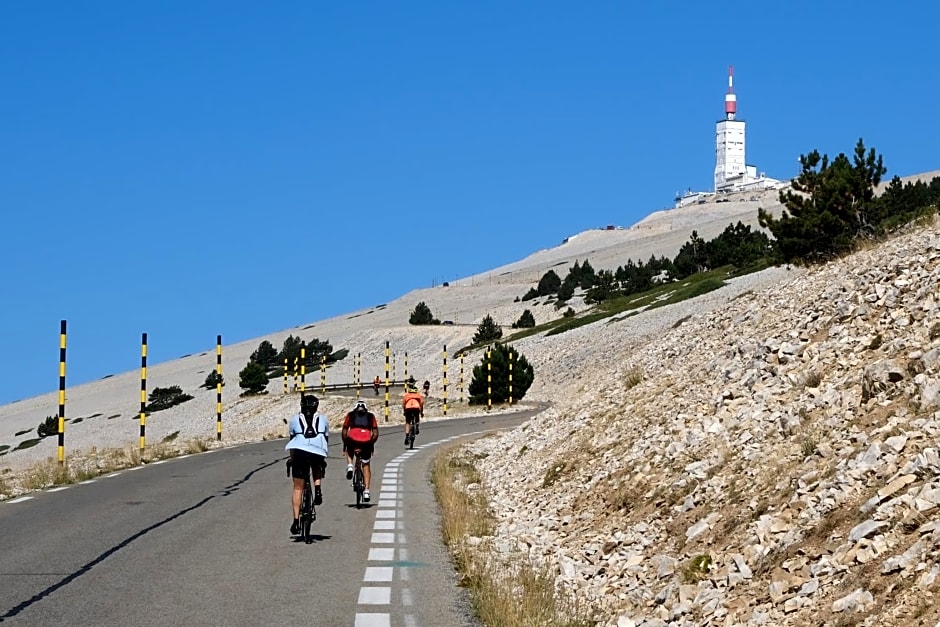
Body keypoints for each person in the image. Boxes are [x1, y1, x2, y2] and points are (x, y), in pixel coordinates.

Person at [285, 393, 328, 536]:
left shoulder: (294, 420)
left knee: (298, 488)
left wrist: (292, 459)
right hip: (317, 451)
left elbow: (293, 442)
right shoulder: (323, 419)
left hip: (299, 453)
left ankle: (296, 521)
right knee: (317, 465)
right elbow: (325, 439)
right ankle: (317, 489)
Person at [342, 399, 379, 502]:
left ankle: (350, 466)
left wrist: (345, 444)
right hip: (366, 441)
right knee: (366, 466)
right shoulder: (371, 416)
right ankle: (366, 491)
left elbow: (344, 430)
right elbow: (375, 433)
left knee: (350, 451)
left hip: (353, 439)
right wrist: (371, 443)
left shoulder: (350, 415)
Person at [402, 381, 424, 446]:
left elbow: (403, 404)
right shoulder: (418, 395)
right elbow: (422, 404)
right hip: (416, 408)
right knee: (417, 417)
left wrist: (404, 411)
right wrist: (421, 412)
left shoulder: (406, 395)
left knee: (408, 422)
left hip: (408, 408)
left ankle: (407, 435)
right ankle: (417, 426)